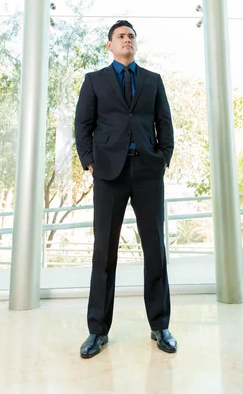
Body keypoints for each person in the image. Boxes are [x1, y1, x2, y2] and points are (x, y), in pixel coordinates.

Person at [75, 19, 177, 358]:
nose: (127, 39)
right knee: (104, 251)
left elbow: (164, 122)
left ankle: (160, 326)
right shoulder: (94, 81)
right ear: (110, 45)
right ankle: (97, 331)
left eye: (131, 35)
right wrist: (89, 161)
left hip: (148, 171)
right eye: (120, 36)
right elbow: (83, 124)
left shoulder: (152, 80)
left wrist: (164, 158)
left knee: (155, 249)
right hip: (108, 173)